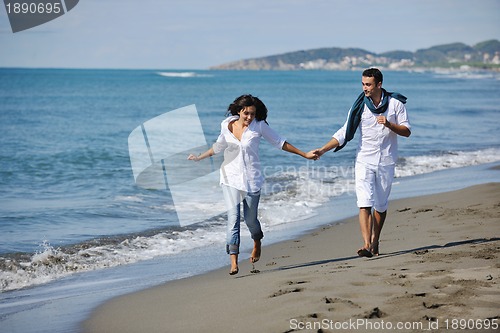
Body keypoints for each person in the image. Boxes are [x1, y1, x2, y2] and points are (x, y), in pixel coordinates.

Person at [188, 94, 317, 275]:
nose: (249, 117)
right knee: (233, 218)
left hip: (251, 180)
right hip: (230, 178)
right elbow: (218, 146)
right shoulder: (227, 125)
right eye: (246, 113)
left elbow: (280, 142)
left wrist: (304, 154)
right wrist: (200, 157)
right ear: (239, 111)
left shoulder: (259, 126)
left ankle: (257, 241)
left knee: (250, 220)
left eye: (253, 114)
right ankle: (233, 261)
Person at [312, 68, 411, 257]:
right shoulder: (359, 105)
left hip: (386, 161)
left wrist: (390, 124)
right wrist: (323, 149)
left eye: (368, 84)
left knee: (381, 205)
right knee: (364, 202)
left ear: (379, 84)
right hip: (364, 160)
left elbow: (407, 131)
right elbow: (345, 131)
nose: (364, 88)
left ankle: (375, 241)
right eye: (363, 84)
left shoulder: (395, 104)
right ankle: (366, 245)